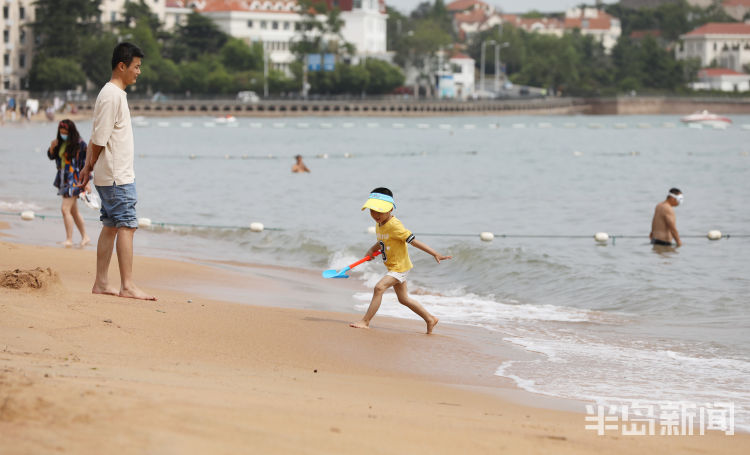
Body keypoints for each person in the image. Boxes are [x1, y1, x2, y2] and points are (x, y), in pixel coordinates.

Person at [79, 42, 156, 301]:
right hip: (116, 176)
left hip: (110, 174)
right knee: (126, 225)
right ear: (121, 66)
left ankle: (101, 282)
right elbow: (99, 140)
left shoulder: (111, 94)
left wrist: (87, 168)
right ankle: (127, 285)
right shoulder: (112, 94)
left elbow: (95, 136)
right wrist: (88, 167)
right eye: (136, 67)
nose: (138, 71)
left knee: (111, 225)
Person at [350, 188, 451, 334]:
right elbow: (383, 240)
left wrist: (435, 253)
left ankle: (365, 321)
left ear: (390, 209)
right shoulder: (380, 224)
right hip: (393, 266)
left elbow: (413, 241)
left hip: (400, 267)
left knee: (379, 288)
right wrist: (372, 250)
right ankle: (430, 319)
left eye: (380, 211)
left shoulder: (395, 225)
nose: (376, 215)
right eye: (372, 211)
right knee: (403, 299)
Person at [47, 119, 91, 247]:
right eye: (61, 131)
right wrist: (52, 147)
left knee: (64, 209)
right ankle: (85, 237)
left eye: (65, 131)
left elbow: (86, 164)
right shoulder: (60, 142)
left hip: (75, 180)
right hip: (63, 179)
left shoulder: (80, 144)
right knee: (73, 211)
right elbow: (52, 157)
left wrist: (86, 182)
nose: (62, 133)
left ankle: (69, 239)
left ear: (71, 131)